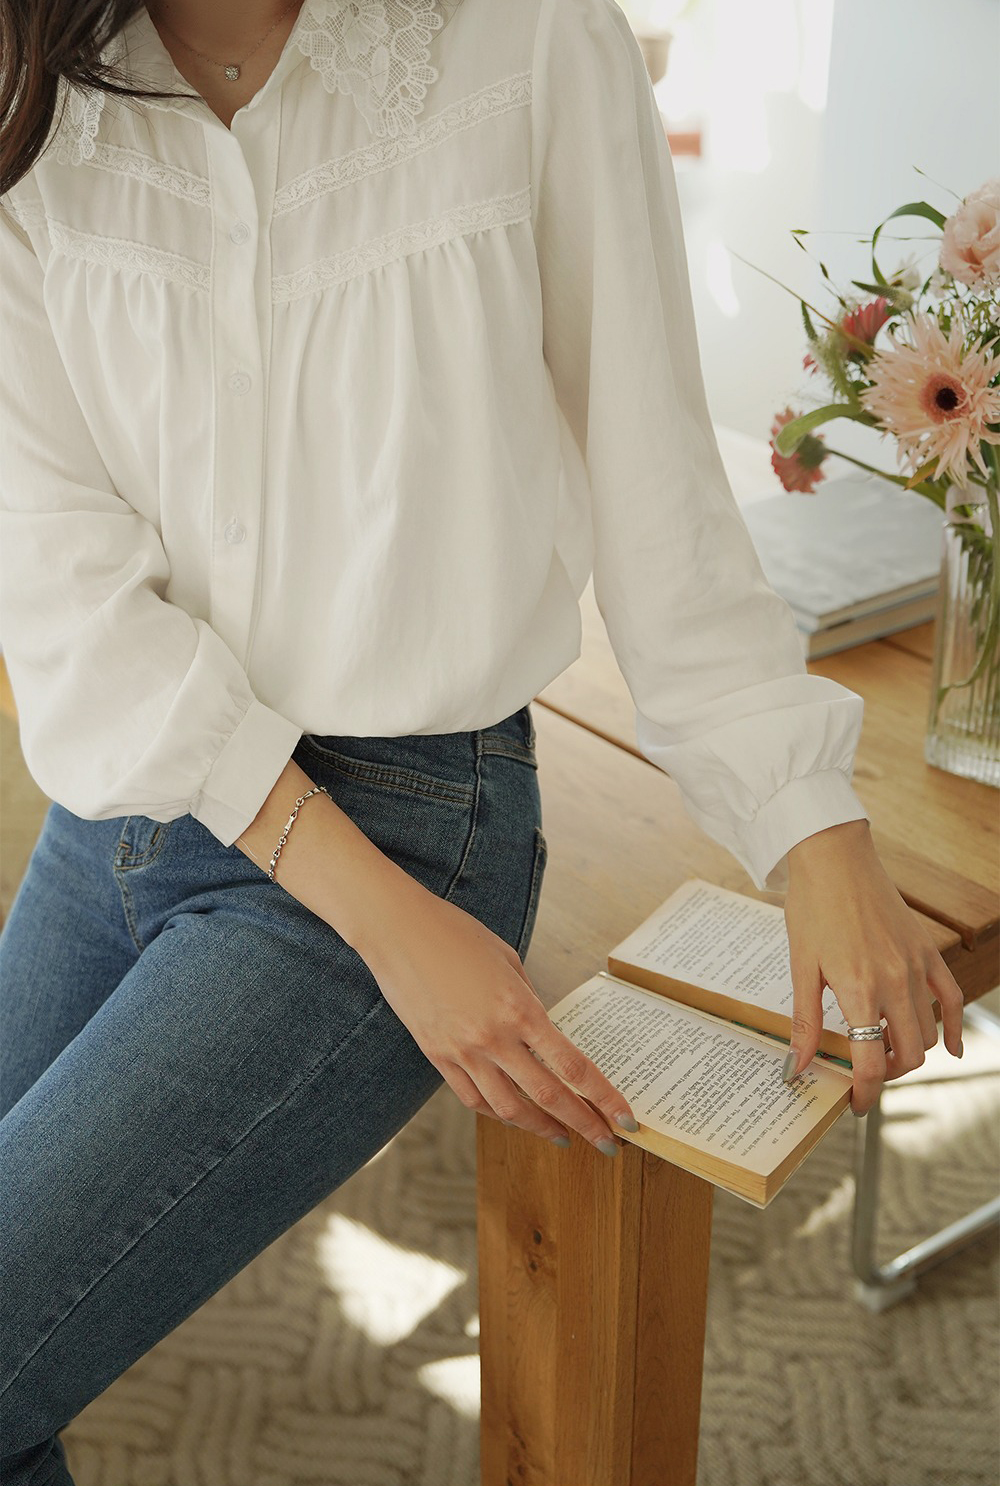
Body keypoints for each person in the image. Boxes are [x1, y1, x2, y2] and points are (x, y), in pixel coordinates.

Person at [0, 1, 965, 1481]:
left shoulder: (531, 42)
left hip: (410, 818)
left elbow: (660, 496)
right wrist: (387, 927)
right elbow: (63, 578)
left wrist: (815, 831)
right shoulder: (30, 96)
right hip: (124, 814)